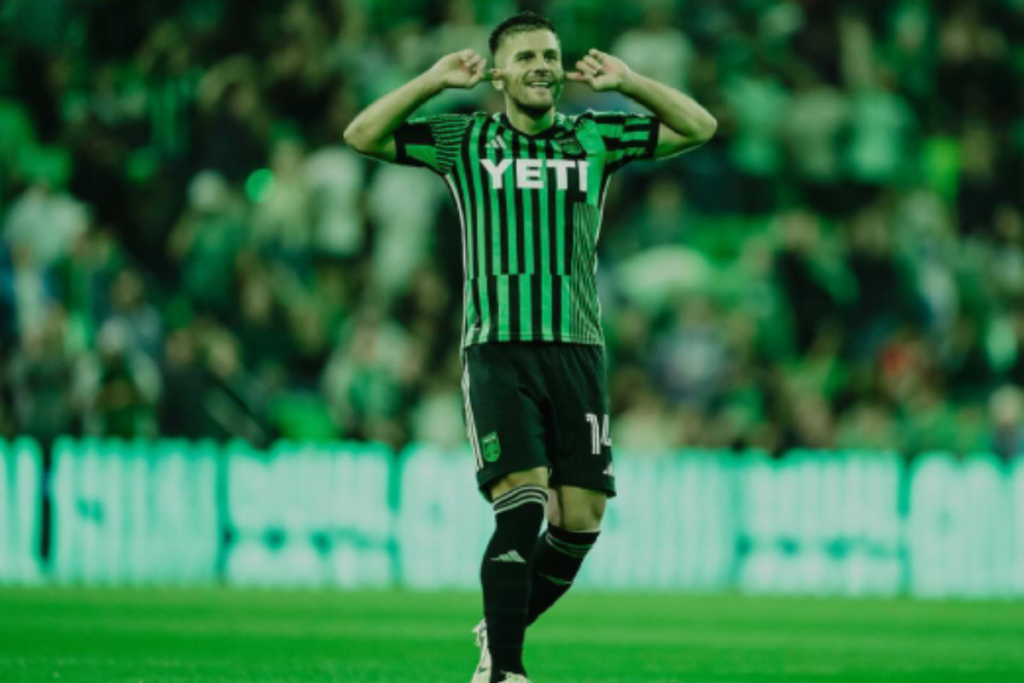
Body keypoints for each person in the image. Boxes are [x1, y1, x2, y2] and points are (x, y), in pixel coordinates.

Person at [344, 11, 716, 683]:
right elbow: (362, 133)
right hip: (498, 349)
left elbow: (700, 126)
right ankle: (503, 671)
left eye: (550, 54)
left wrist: (630, 82)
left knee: (581, 520)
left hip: (578, 349)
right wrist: (432, 80)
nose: (542, 65)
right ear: (498, 73)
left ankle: (500, 623)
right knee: (522, 501)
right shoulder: (464, 138)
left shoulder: (594, 135)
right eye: (525, 57)